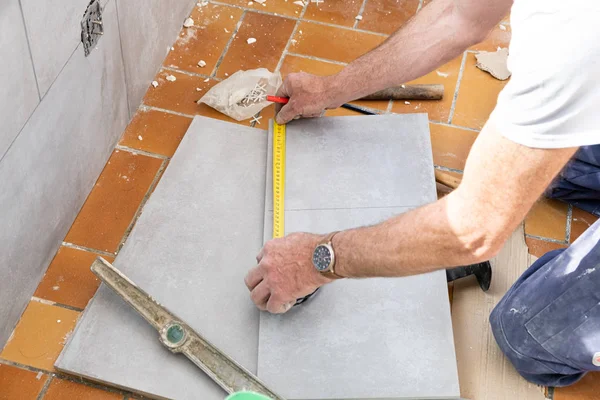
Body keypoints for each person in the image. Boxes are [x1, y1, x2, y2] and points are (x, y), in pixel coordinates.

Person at [244, 0, 600, 387]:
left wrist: (316, 260)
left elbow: (474, 229)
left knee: (528, 334)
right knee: (563, 165)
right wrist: (331, 89)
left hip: (582, 60)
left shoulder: (573, 41)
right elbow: (458, 16)